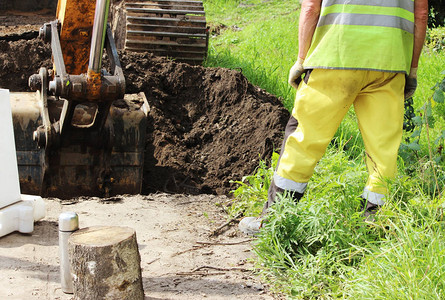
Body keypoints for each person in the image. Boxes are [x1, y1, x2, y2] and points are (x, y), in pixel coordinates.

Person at [239, 0, 429, 235]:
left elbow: (310, 8)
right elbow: (420, 15)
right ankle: (376, 225)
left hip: (334, 57)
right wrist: (411, 69)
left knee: (304, 139)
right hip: (389, 64)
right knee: (383, 151)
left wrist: (300, 61)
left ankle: (276, 221)